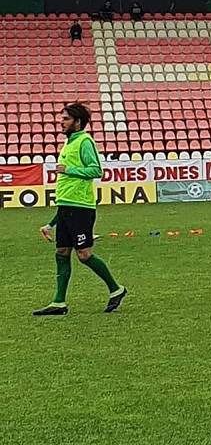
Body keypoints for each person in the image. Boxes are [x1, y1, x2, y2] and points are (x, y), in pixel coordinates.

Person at [33, 102, 127, 316]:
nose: (61, 122)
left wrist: (69, 169)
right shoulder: (68, 143)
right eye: (61, 118)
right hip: (67, 207)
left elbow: (96, 170)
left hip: (81, 208)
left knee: (84, 255)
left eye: (65, 119)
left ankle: (116, 289)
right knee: (62, 252)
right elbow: (66, 196)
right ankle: (59, 303)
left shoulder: (85, 141)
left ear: (77, 122)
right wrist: (51, 223)